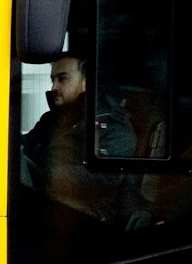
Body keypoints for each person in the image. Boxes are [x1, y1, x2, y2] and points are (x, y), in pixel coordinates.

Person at [19, 55, 137, 225]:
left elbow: (108, 177)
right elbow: (24, 146)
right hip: (48, 208)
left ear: (86, 82)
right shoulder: (52, 119)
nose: (54, 87)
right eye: (53, 80)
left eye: (62, 79)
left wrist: (50, 176)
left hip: (89, 221)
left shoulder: (112, 124)